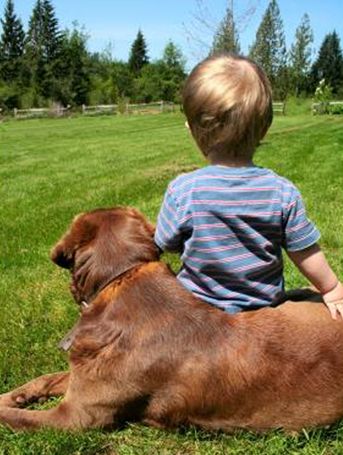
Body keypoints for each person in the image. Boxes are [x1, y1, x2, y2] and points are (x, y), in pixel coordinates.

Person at [154, 53, 343, 318]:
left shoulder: (183, 191)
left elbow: (165, 242)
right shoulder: (282, 193)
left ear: (193, 131)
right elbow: (304, 250)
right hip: (262, 316)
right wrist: (332, 288)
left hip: (198, 317)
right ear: (265, 129)